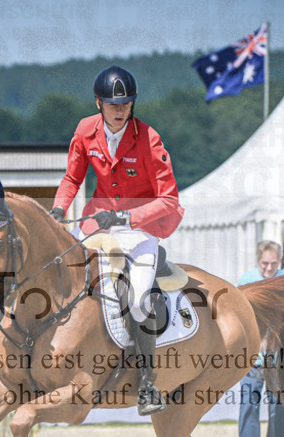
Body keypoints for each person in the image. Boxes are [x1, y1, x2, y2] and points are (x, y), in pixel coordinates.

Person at [51, 65, 184, 416]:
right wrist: (59, 208)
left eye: (126, 103)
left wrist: (127, 217)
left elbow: (169, 199)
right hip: (98, 224)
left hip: (140, 229)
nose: (120, 109)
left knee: (138, 301)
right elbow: (72, 177)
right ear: (99, 103)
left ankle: (147, 383)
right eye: (113, 104)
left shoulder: (149, 138)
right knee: (69, 280)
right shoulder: (84, 131)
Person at [236, 240, 284, 437]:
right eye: (265, 263)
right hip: (252, 359)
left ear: (280, 262)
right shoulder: (246, 281)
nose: (269, 268)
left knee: (277, 412)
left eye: (273, 263)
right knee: (249, 408)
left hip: (280, 360)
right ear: (259, 261)